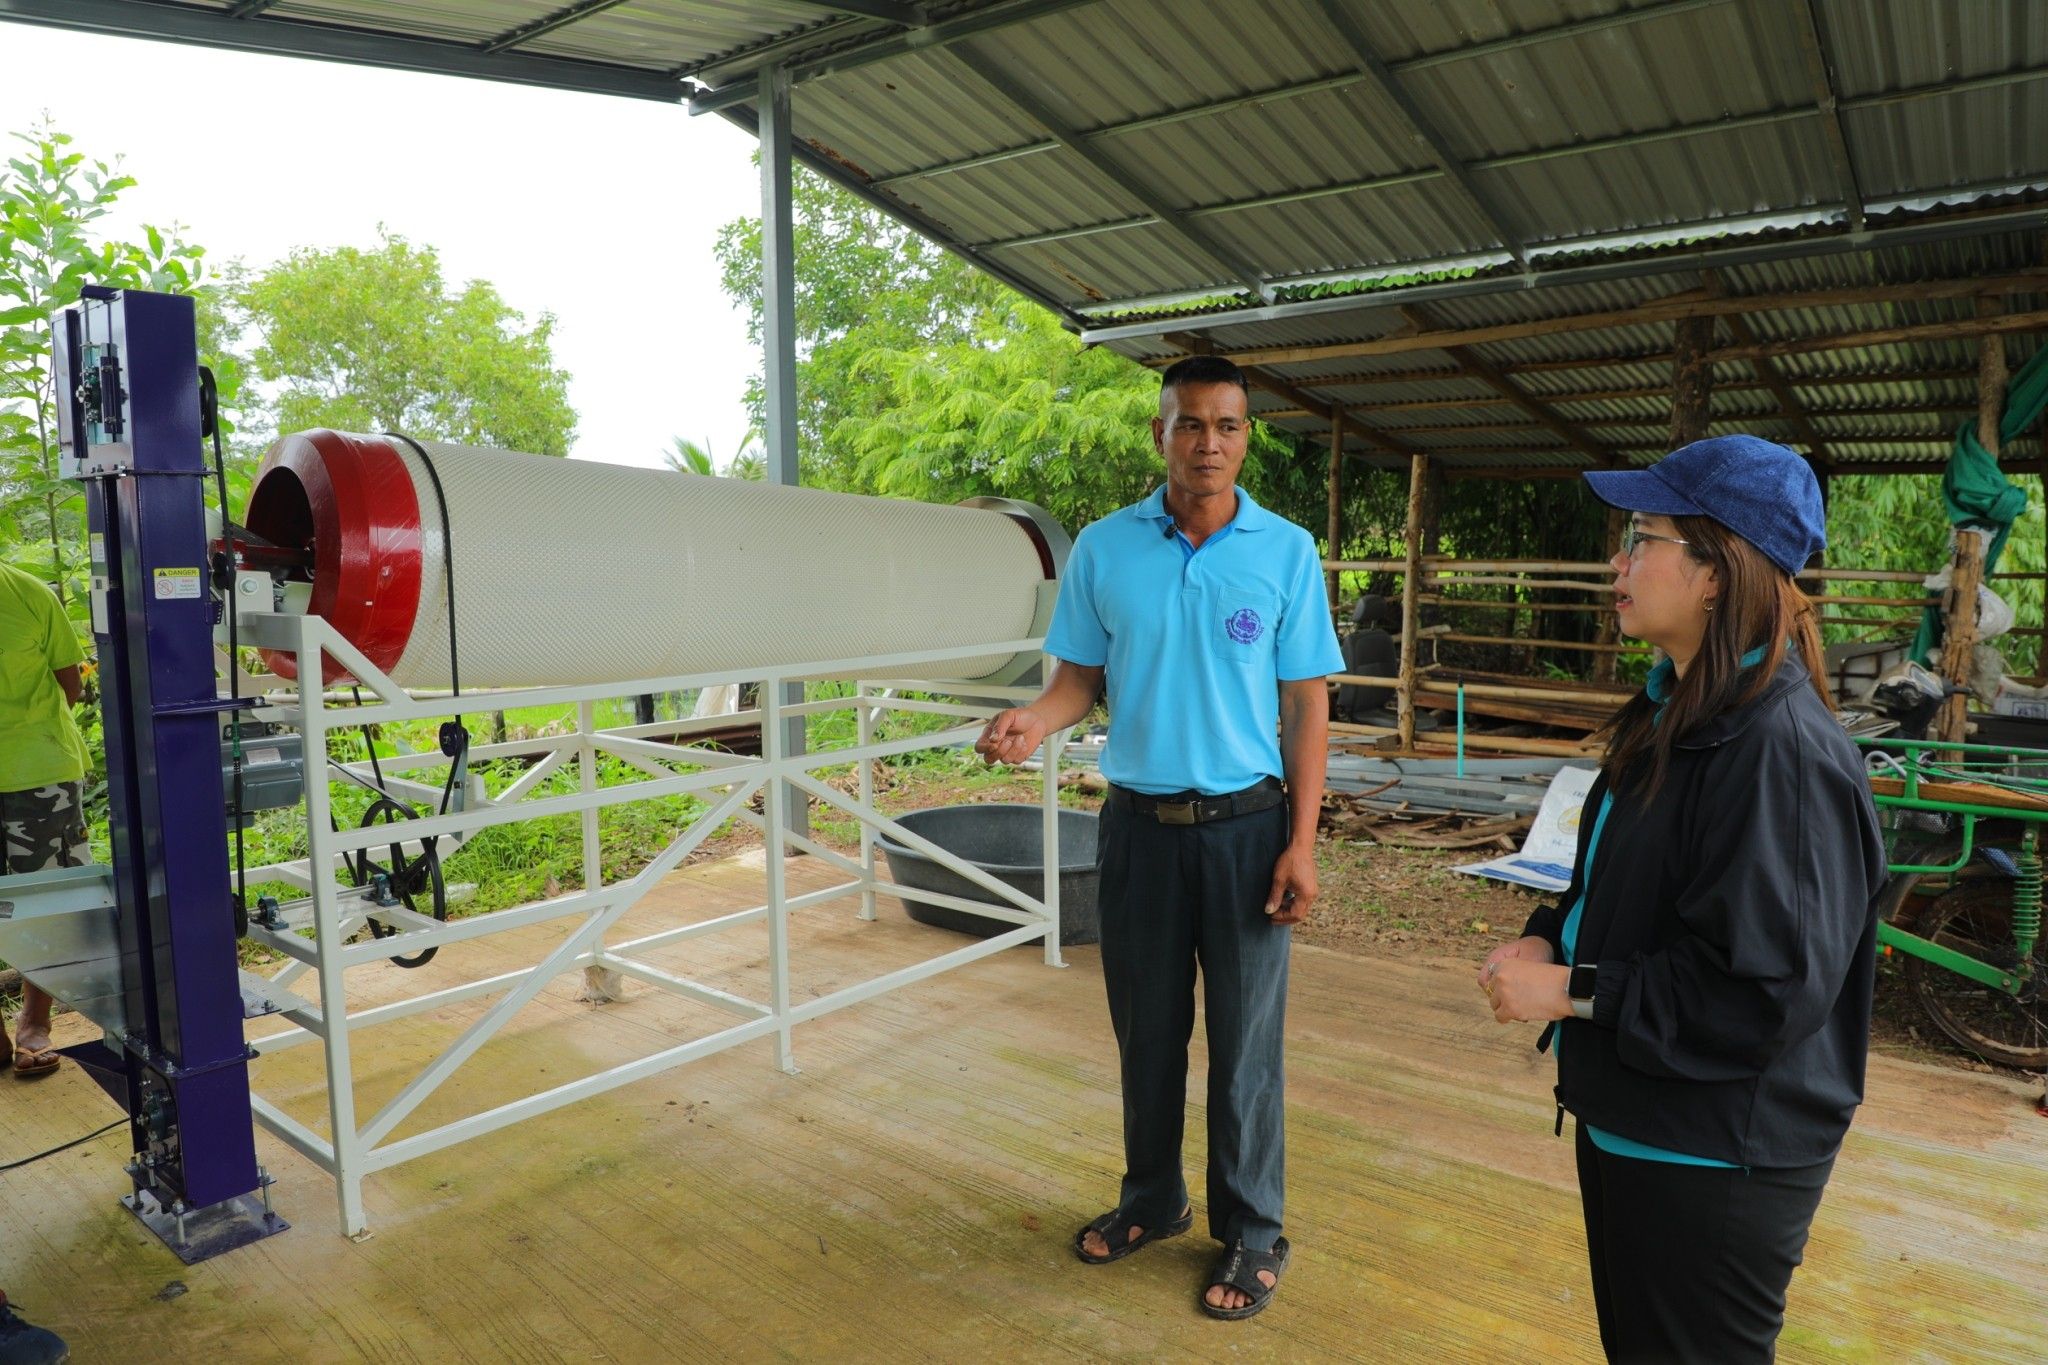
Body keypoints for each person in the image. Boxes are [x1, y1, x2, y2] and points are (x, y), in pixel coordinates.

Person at [1477, 434, 1887, 1363]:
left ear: (1716, 571)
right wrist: (1547, 938)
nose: (1616, 561)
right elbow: (1614, 884)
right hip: (1641, 1116)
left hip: (1714, 1154)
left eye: (1642, 535)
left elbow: (1762, 989)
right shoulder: (1675, 711)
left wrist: (1575, 991)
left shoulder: (1779, 752)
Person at [976, 355, 1343, 1321]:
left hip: (1247, 828)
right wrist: (1032, 721)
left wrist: (1302, 842)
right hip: (1137, 828)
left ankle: (1254, 1229)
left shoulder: (1286, 551)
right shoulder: (1104, 547)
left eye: (1227, 425)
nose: (1208, 443)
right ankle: (1154, 1198)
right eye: (1190, 424)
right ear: (1160, 434)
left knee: (1245, 1041)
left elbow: (1308, 706)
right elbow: (1076, 682)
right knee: (1147, 1031)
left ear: (1247, 436)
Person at [0, 562, 93, 1082]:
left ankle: (34, 1023)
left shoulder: (29, 593)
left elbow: (70, 684)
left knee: (46, 902)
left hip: (40, 776)